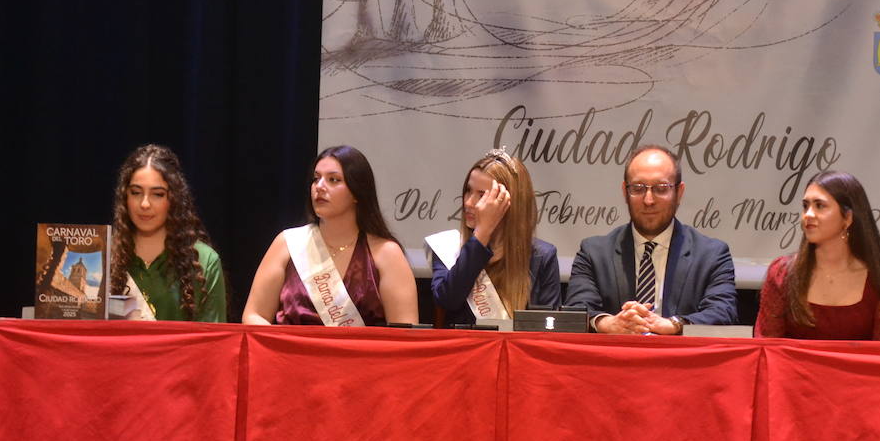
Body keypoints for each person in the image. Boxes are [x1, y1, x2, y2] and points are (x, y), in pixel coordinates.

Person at [566, 145, 737, 333]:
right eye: (638, 188)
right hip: (614, 359)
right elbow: (575, 310)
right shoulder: (593, 252)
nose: (648, 200)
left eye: (661, 188)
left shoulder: (711, 254)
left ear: (679, 193)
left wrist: (673, 324)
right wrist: (609, 324)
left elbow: (723, 313)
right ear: (625, 191)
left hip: (680, 360)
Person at [242, 145, 418, 326]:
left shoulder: (386, 253)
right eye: (316, 179)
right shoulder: (288, 243)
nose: (320, 187)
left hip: (360, 354)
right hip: (292, 353)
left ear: (357, 192)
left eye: (333, 180)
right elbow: (253, 315)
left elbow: (405, 333)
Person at [754, 171, 880, 340]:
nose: (808, 215)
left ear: (847, 218)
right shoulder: (781, 273)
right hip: (791, 367)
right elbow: (766, 348)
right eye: (805, 206)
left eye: (820, 205)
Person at [427, 149, 560, 326]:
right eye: (468, 191)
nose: (468, 202)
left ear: (510, 203)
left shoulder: (542, 256)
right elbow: (447, 300)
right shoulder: (448, 248)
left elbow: (549, 328)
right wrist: (481, 233)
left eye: (482, 195)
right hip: (464, 351)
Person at [108, 144, 226, 322]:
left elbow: (213, 344)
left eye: (157, 194)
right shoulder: (104, 257)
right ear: (125, 197)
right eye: (136, 192)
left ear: (174, 199)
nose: (145, 204)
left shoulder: (204, 261)